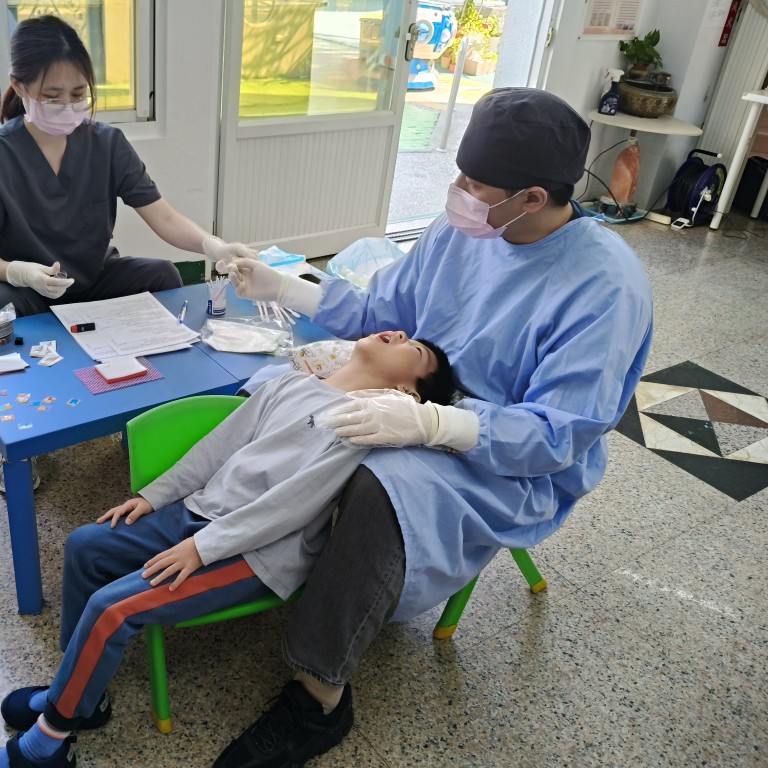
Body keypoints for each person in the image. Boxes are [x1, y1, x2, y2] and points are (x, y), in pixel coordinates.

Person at [214, 88, 654, 767]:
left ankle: (318, 695)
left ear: (533, 198)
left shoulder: (603, 288)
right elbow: (384, 311)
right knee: (287, 399)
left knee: (375, 480)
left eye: (474, 185)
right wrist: (287, 287)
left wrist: (434, 422)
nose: (458, 194)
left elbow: (558, 436)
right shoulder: (466, 231)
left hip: (508, 457)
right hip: (421, 396)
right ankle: (228, 547)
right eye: (460, 175)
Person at [0, 331, 456, 768]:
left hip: (256, 554)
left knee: (112, 608)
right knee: (85, 546)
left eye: (413, 349)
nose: (397, 333)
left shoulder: (362, 425)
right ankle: (80, 698)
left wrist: (202, 548)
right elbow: (218, 448)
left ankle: (47, 743)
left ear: (405, 393)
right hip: (200, 514)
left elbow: (289, 507)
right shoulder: (289, 384)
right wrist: (154, 497)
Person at [0, 15, 254, 319]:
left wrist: (213, 246)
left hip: (90, 279)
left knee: (162, 275)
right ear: (19, 86)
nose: (67, 105)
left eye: (78, 94)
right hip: (24, 289)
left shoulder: (107, 144)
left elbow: (164, 217)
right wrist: (21, 273)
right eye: (52, 97)